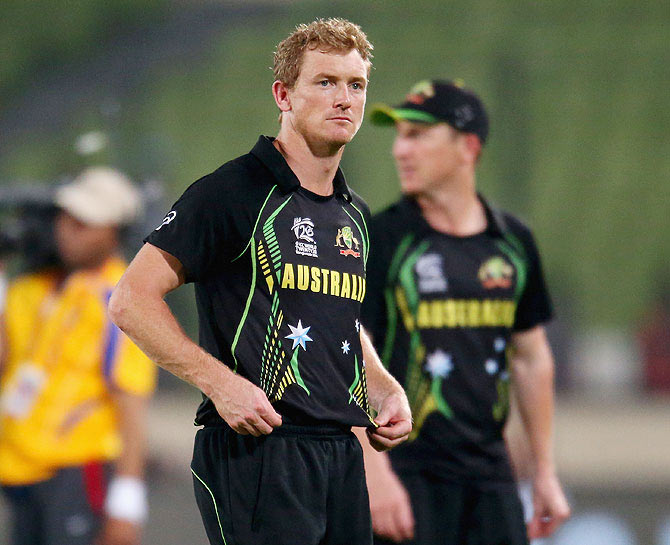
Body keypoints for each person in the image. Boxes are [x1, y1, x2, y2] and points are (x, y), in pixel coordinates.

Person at [108, 18, 412, 545]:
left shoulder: (354, 215)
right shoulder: (232, 192)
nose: (343, 98)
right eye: (324, 82)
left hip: (340, 450)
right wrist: (219, 384)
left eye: (355, 85)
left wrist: (383, 385)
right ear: (283, 94)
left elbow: (335, 319)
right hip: (259, 449)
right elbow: (131, 300)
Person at [358, 80, 570, 545]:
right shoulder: (383, 239)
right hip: (406, 473)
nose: (400, 150)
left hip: (492, 478)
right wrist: (374, 474)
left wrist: (544, 472)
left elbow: (531, 357)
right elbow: (347, 352)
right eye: (398, 135)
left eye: (417, 135)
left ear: (467, 146)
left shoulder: (513, 241)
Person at [0, 167, 157, 545]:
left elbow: (130, 401)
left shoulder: (123, 298)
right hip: (21, 471)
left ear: (114, 230)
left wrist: (127, 500)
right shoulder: (31, 288)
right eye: (66, 217)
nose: (68, 228)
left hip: (78, 474)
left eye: (85, 222)